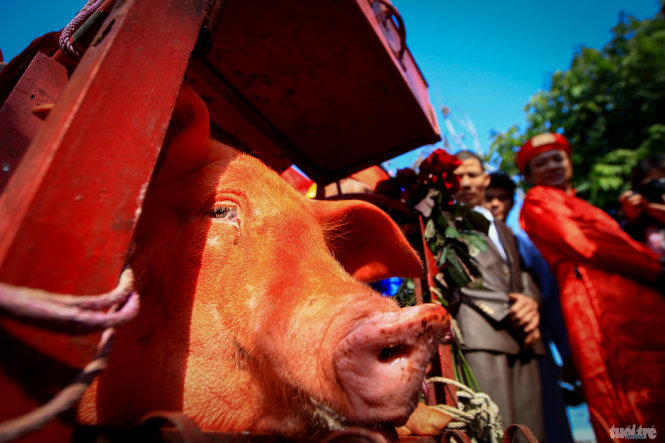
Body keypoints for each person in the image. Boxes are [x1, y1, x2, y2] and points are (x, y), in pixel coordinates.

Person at [517, 133, 665, 442]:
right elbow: (587, 244)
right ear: (528, 176)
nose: (552, 166)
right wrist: (654, 269)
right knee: (616, 395)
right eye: (541, 163)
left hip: (635, 309)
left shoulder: (584, 205)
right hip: (595, 304)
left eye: (558, 158)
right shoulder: (538, 200)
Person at [452, 151, 545, 440]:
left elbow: (522, 273)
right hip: (482, 336)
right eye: (458, 177)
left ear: (485, 178)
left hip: (523, 338)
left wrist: (531, 303)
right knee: (493, 428)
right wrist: (511, 310)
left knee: (531, 430)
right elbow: (459, 277)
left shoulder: (505, 230)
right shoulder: (446, 222)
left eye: (472, 174)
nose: (466, 182)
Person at [486, 172, 575, 443]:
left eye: (502, 199)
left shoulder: (526, 244)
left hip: (536, 350)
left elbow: (552, 301)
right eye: (489, 198)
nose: (495, 204)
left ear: (513, 203)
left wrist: (569, 356)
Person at [619, 154, 665, 256]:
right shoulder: (634, 224)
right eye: (651, 187)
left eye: (662, 184)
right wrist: (632, 220)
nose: (658, 190)